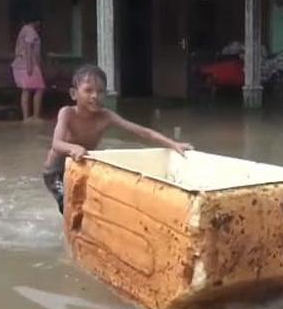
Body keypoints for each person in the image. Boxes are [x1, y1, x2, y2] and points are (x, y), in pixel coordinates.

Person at [43, 65, 193, 214]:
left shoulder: (106, 117)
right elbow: (56, 144)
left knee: (94, 200)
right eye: (88, 90)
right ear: (74, 94)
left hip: (80, 166)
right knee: (67, 202)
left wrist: (173, 144)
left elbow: (142, 132)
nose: (95, 96)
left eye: (100, 91)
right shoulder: (67, 113)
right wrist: (73, 148)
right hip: (56, 170)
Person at [11, 18, 45, 122]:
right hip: (29, 64)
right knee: (39, 88)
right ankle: (35, 116)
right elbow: (29, 48)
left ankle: (26, 117)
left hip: (21, 64)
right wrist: (30, 65)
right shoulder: (30, 30)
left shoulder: (23, 29)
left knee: (26, 90)